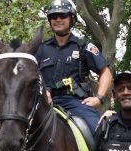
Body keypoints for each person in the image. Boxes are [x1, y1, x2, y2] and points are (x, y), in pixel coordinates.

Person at [36, 0, 113, 134]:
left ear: (72, 18)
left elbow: (105, 72)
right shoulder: (40, 49)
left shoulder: (83, 46)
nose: (58, 19)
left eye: (63, 15)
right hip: (44, 102)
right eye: (54, 16)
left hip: (75, 102)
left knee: (100, 132)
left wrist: (99, 98)